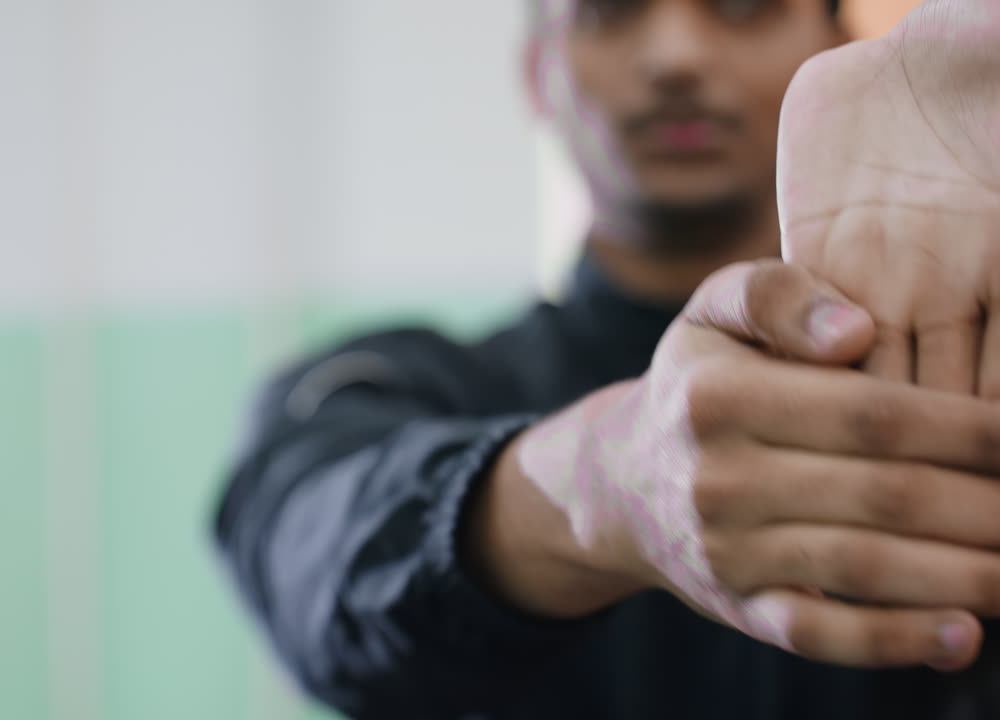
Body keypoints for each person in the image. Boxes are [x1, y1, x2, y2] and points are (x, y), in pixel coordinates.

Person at [213, 0, 1000, 717]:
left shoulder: (970, 376)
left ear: (835, 46)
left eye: (742, 6)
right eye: (609, 11)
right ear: (536, 75)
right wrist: (598, 482)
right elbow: (307, 541)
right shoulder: (410, 384)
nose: (677, 57)